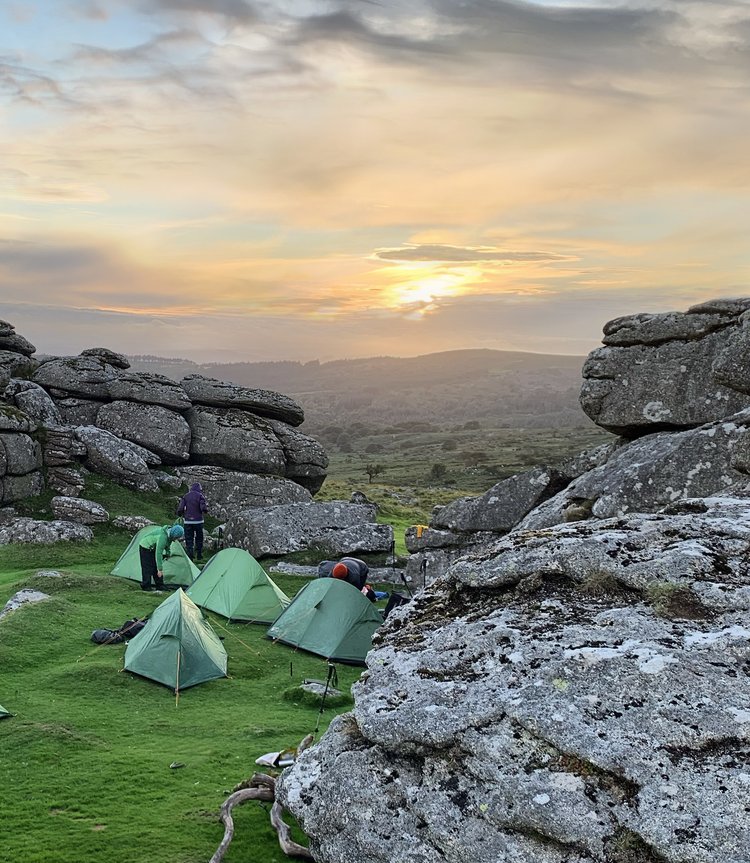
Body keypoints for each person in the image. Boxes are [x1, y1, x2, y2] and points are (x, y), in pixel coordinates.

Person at [139, 524, 184, 591]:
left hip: (152, 548)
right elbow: (158, 553)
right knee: (148, 567)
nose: (176, 539)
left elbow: (168, 544)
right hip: (145, 547)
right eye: (176, 537)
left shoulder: (169, 534)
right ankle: (146, 586)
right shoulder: (162, 537)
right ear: (174, 535)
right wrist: (160, 569)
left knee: (155, 567)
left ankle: (160, 585)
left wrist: (168, 553)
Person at [177, 482, 208, 561]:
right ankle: (199, 555)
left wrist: (180, 513)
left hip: (188, 522)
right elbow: (203, 507)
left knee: (189, 538)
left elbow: (181, 507)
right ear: (198, 489)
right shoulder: (200, 496)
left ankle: (190, 555)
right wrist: (204, 510)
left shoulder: (186, 496)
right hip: (198, 521)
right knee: (199, 538)